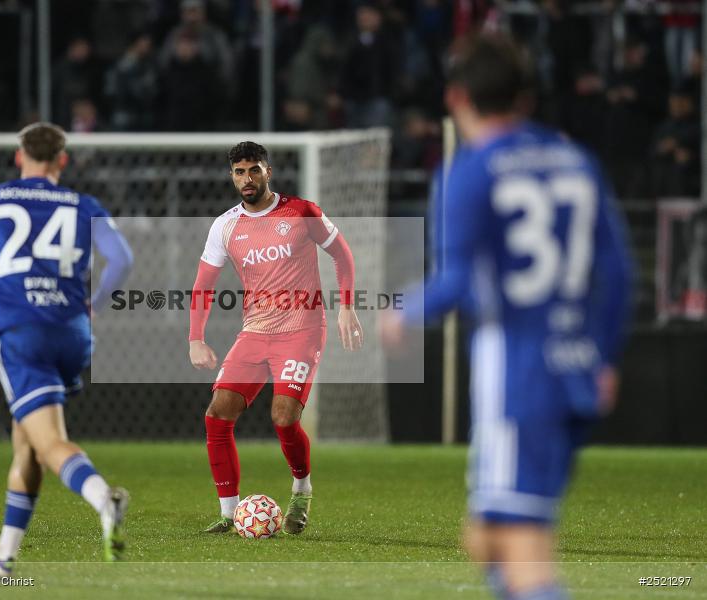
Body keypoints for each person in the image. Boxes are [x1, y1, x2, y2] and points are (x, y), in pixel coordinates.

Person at [381, 34, 634, 599]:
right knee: (491, 539)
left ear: (456, 97)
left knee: (521, 549)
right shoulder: (576, 159)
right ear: (524, 98)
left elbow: (458, 280)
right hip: (576, 369)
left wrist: (403, 312)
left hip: (518, 374)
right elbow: (618, 275)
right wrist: (607, 357)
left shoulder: (470, 172)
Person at [0, 122, 134, 570]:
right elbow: (123, 259)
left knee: (49, 445)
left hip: (23, 333)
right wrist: (96, 304)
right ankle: (4, 556)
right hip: (73, 333)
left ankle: (103, 499)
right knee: (26, 441)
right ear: (62, 161)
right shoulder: (83, 205)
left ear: (19, 157)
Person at [189, 141, 361, 535]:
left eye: (253, 170)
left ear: (268, 171)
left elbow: (342, 255)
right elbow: (203, 285)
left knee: (283, 419)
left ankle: (302, 488)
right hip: (255, 332)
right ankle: (229, 514)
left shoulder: (302, 212)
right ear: (231, 176)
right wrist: (195, 338)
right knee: (218, 413)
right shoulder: (225, 226)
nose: (246, 179)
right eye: (239, 172)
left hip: (301, 331)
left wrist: (346, 306)